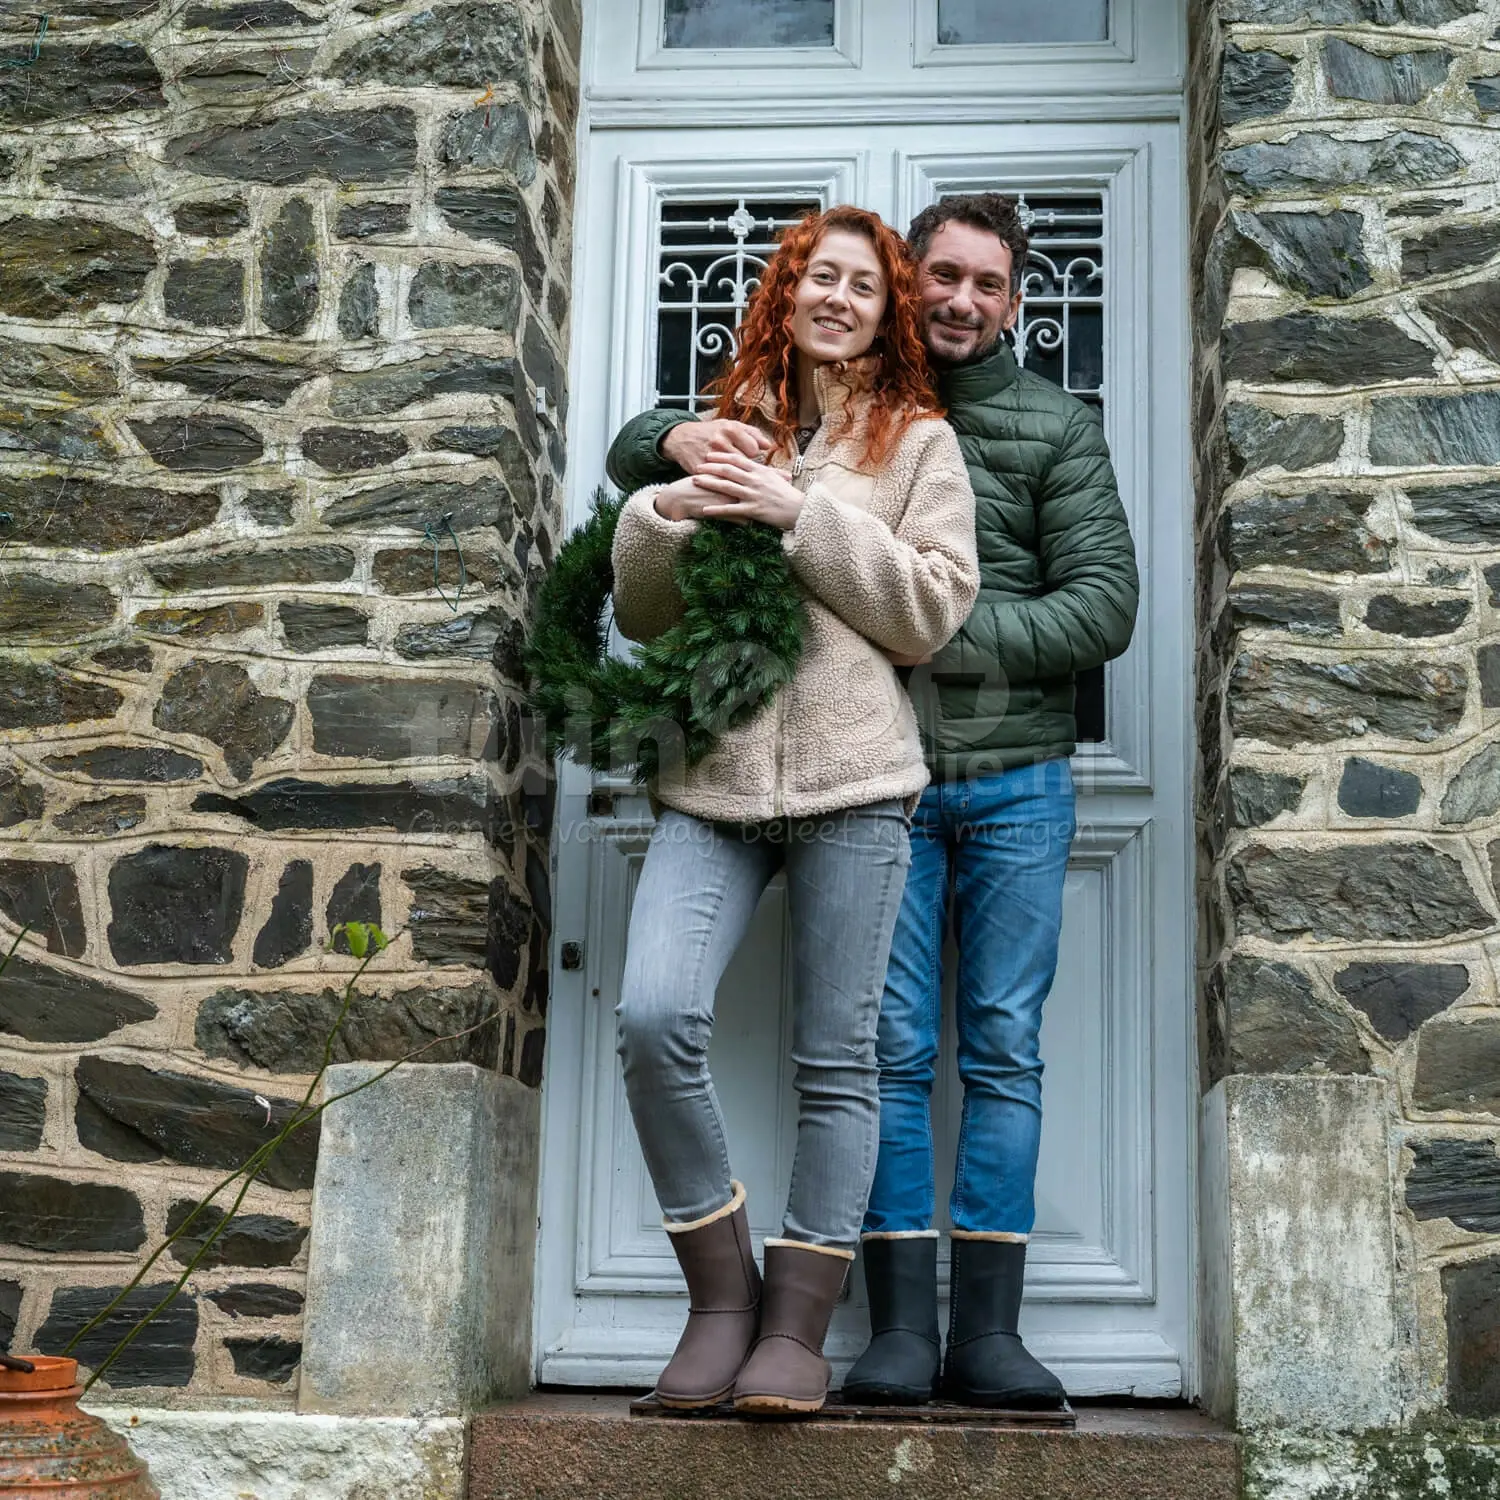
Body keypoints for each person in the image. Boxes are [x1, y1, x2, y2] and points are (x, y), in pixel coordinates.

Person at [607, 193, 1139, 1410]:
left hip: (985, 770)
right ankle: (879, 1326)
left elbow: (1088, 607)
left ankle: (975, 1332)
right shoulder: (753, 412)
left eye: (986, 284)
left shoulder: (1028, 427)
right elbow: (648, 504)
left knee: (991, 1046)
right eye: (940, 274)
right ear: (909, 284)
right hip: (784, 775)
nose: (959, 299)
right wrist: (669, 471)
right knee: (835, 1047)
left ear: (1014, 303)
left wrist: (904, 631)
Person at [610, 205, 979, 1416]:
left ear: (889, 312)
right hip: (709, 779)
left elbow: (930, 612)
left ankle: (796, 1330)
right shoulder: (731, 426)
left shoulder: (919, 442)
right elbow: (646, 614)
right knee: (655, 1016)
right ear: (787, 291)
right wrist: (664, 513)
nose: (838, 298)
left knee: (838, 1060)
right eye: (820, 276)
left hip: (856, 780)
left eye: (863, 286)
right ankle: (721, 1301)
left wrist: (800, 515)